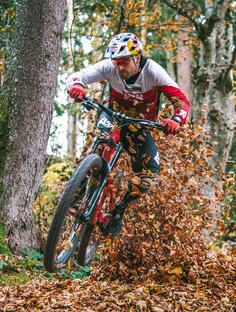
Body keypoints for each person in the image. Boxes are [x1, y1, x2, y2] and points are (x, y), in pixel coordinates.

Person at [67, 32, 190, 238]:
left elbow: (182, 102)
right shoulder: (110, 66)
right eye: (116, 63)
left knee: (149, 173)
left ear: (137, 58)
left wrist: (176, 120)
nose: (119, 67)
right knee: (102, 143)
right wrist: (77, 85)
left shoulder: (154, 72)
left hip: (139, 125)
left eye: (123, 62)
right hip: (112, 114)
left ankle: (118, 212)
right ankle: (76, 189)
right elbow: (78, 75)